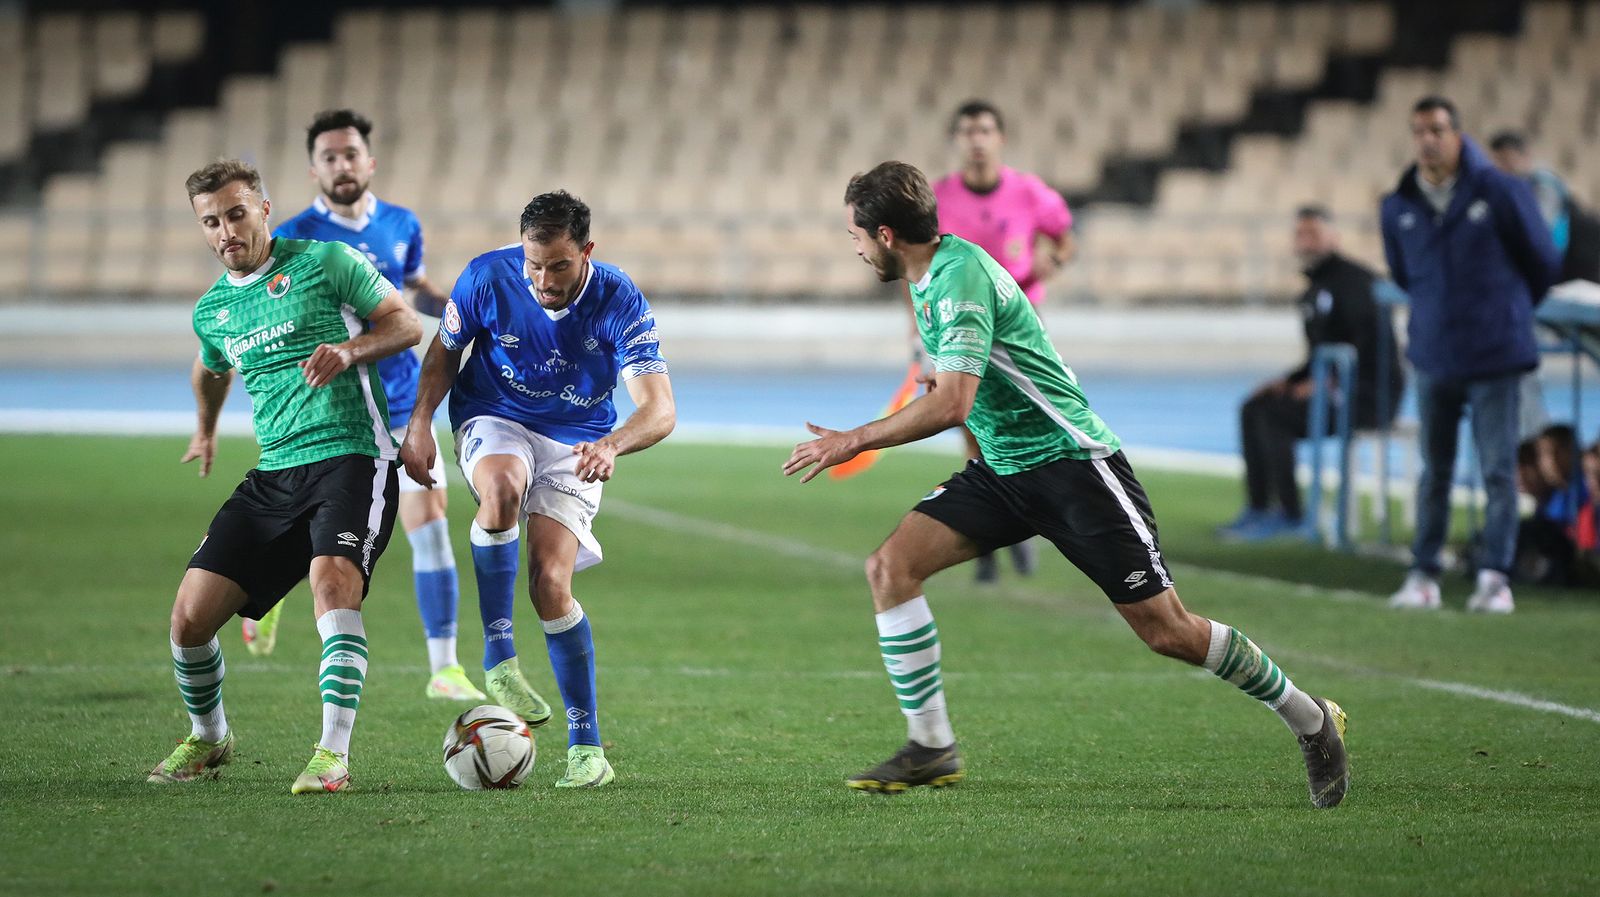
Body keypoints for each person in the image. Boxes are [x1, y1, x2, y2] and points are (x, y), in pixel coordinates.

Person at [784, 161, 1349, 808]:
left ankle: (1311, 718)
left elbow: (952, 407)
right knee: (890, 568)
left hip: (1073, 465)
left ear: (885, 234)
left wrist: (851, 439)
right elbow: (957, 386)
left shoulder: (958, 279)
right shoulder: (927, 276)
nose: (852, 246)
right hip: (1006, 469)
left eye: (854, 234)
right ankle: (931, 743)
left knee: (1168, 630)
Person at [148, 159, 422, 793]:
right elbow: (209, 368)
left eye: (237, 215)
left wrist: (350, 350)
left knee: (332, 589)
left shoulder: (325, 262)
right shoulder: (214, 309)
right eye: (211, 222)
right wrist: (206, 429)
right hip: (275, 472)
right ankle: (210, 738)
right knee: (188, 621)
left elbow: (405, 323)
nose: (226, 232)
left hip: (354, 456)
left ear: (265, 210)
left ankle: (333, 758)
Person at [400, 190, 675, 788]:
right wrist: (419, 423)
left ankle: (587, 749)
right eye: (534, 264)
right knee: (501, 490)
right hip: (494, 415)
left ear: (587, 252)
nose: (544, 279)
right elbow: (444, 355)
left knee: (551, 584)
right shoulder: (486, 277)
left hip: (579, 440)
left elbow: (660, 410)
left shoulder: (618, 299)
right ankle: (499, 657)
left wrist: (612, 446)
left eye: (558, 265)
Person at [250, 109, 484, 703]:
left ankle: (444, 667)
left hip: (404, 403)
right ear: (313, 170)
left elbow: (415, 291)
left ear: (369, 161)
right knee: (321, 529)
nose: (342, 165)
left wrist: (467, 310)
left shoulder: (402, 224)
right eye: (329, 157)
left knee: (429, 528)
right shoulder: (297, 238)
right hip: (339, 414)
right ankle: (270, 588)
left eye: (350, 154)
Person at [1381, 96, 1561, 614]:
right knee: (1433, 471)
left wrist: (1503, 310)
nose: (1428, 140)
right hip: (1435, 355)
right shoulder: (1399, 204)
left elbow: (1543, 261)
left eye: (1437, 129)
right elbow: (1402, 273)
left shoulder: (1502, 191)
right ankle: (1424, 576)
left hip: (1495, 355)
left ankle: (1495, 578)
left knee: (1498, 470)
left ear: (1458, 134)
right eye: (1419, 131)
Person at [930, 99, 1075, 583]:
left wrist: (1052, 263)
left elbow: (1063, 236)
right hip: (961, 328)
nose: (977, 139)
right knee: (974, 429)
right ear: (957, 139)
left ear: (1000, 138)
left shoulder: (1029, 193)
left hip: (1020, 331)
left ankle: (1022, 529)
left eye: (985, 130)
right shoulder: (939, 198)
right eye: (968, 130)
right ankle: (990, 536)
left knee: (1026, 430)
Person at [1219, 206, 1404, 540]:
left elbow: (1367, 344)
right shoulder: (1316, 288)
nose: (1305, 242)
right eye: (1300, 235)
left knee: (1275, 417)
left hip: (1367, 395)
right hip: (1336, 385)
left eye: (1313, 234)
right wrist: (1289, 381)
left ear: (1333, 238)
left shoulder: (1356, 282)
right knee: (1254, 406)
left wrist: (1326, 381)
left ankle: (1290, 515)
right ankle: (1259, 508)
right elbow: (1322, 351)